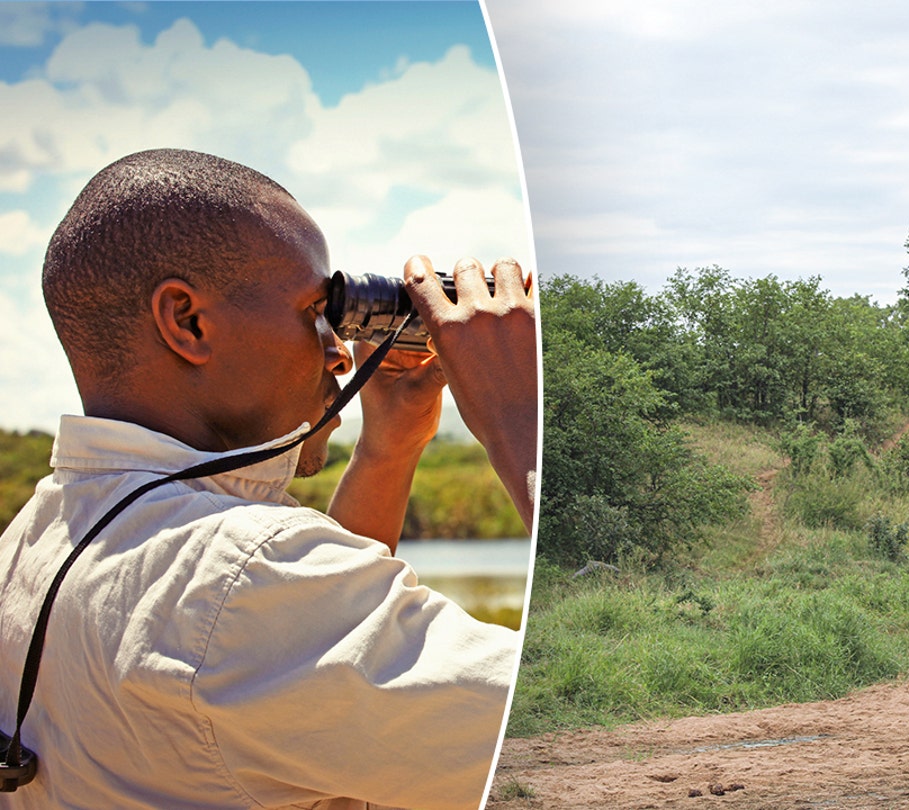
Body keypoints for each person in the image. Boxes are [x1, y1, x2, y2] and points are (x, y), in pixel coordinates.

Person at [0, 148, 538, 809]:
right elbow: (555, 725)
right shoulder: (244, 583)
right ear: (188, 322)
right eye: (315, 310)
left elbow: (270, 664)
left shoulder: (40, 530)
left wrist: (388, 453)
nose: (340, 352)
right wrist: (522, 424)